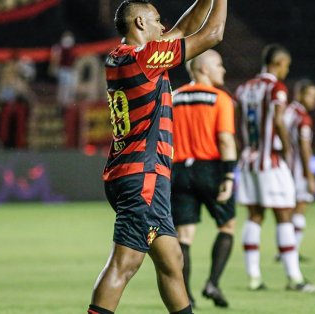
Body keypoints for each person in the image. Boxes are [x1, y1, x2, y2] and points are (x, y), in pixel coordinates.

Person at [87, 0, 227, 313]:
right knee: (124, 264)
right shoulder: (146, 58)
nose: (163, 27)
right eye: (156, 20)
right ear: (139, 23)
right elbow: (213, 34)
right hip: (144, 178)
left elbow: (185, 28)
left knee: (172, 262)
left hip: (133, 174)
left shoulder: (120, 57)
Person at [236, 44, 315, 293]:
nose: (287, 70)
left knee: (254, 216)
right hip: (270, 161)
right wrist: (287, 150)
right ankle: (294, 278)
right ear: (279, 63)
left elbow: (238, 120)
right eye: (286, 65)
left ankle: (253, 277)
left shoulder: (244, 88)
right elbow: (277, 120)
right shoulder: (276, 88)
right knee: (284, 216)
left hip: (249, 160)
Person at [171, 50, 236, 308]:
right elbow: (225, 139)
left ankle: (185, 295)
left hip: (179, 172)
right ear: (204, 69)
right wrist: (229, 175)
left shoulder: (174, 97)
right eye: (219, 65)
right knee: (227, 226)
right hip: (211, 169)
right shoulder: (220, 99)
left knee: (184, 236)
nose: (224, 70)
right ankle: (213, 282)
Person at [282, 79, 315, 259]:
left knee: (288, 212)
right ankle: (291, 251)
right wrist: (309, 175)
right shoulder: (303, 117)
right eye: (311, 95)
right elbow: (304, 148)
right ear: (300, 94)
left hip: (283, 168)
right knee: (300, 208)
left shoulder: (288, 111)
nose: (314, 100)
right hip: (297, 170)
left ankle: (287, 248)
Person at [49, 31, 78, 107]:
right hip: (62, 70)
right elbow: (55, 59)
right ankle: (62, 106)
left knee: (70, 88)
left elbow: (73, 60)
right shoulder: (58, 48)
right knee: (62, 89)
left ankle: (68, 105)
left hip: (69, 70)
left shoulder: (71, 48)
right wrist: (54, 68)